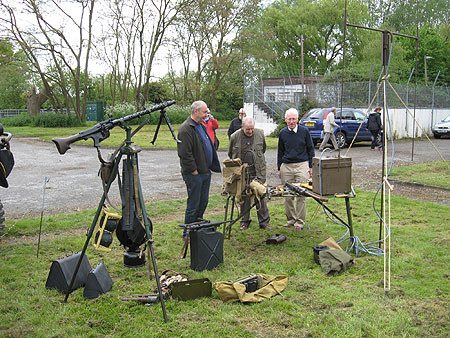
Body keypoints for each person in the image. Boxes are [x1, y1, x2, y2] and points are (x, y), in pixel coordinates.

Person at [177, 100, 221, 238]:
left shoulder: (200, 126)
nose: (207, 114)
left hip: (205, 172)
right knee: (193, 204)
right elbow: (185, 153)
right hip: (194, 175)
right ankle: (188, 233)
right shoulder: (186, 129)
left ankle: (197, 229)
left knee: (203, 202)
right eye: (204, 112)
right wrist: (193, 171)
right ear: (196, 111)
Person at [228, 117, 270, 230]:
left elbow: (263, 149)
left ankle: (264, 222)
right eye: (248, 129)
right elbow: (230, 153)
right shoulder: (235, 136)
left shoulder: (260, 133)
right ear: (242, 127)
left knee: (260, 195)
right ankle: (244, 221)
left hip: (258, 171)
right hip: (242, 173)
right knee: (244, 197)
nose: (250, 131)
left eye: (252, 129)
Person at [277, 108, 315, 232]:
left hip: (301, 165)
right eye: (289, 119)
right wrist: (279, 168)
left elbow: (311, 149)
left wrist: (311, 167)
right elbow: (280, 151)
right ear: (285, 120)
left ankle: (299, 222)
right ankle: (291, 219)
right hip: (286, 166)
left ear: (297, 119)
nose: (292, 121)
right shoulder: (282, 133)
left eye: (294, 119)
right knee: (287, 195)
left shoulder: (304, 131)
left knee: (301, 194)